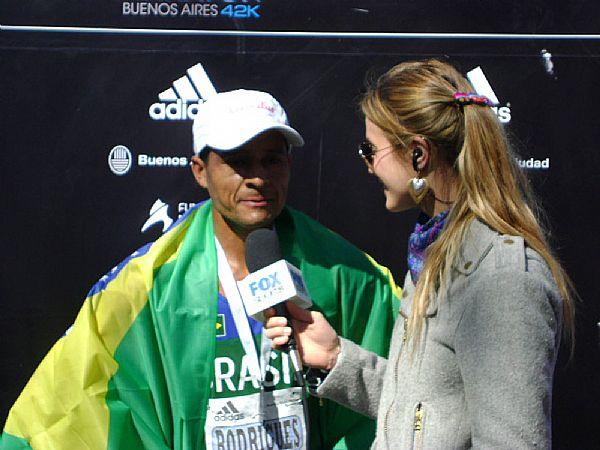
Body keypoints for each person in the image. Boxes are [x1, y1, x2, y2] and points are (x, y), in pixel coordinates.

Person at [0, 89, 400, 450]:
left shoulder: (349, 274)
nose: (258, 178)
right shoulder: (145, 287)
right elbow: (65, 412)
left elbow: (407, 398)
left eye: (272, 160)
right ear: (199, 171)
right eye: (239, 162)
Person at [265, 59, 575, 449]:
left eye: (369, 149)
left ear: (417, 155)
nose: (366, 166)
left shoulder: (503, 279)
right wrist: (335, 357)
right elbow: (424, 413)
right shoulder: (432, 254)